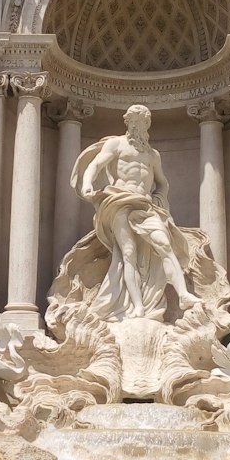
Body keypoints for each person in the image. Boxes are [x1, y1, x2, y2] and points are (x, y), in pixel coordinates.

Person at [73, 104, 197, 321]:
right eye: (134, 121)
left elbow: (162, 183)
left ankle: (184, 295)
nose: (137, 125)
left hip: (146, 205)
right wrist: (86, 184)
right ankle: (138, 307)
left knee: (165, 244)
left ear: (147, 125)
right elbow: (95, 164)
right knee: (128, 254)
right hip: (119, 201)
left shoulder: (152, 155)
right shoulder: (116, 144)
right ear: (127, 123)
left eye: (142, 122)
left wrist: (160, 199)